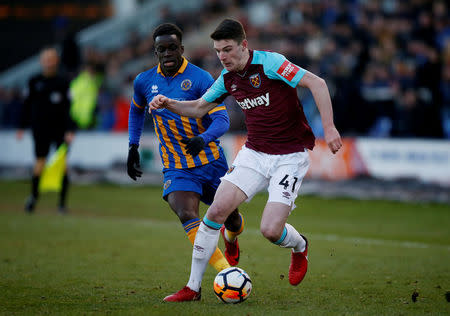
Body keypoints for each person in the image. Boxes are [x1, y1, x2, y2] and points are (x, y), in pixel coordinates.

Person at [149, 18, 343, 302]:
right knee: (215, 212)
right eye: (218, 51)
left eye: (228, 49)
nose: (223, 57)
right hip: (254, 154)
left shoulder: (271, 64)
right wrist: (169, 103)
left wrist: (330, 128)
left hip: (289, 157)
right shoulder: (227, 78)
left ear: (244, 45)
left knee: (270, 230)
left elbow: (317, 83)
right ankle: (192, 288)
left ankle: (300, 247)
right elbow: (201, 108)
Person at [127, 23, 244, 275]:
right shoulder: (144, 81)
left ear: (181, 48)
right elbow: (136, 111)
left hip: (211, 162)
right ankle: (225, 272)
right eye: (162, 49)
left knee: (232, 219)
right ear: (155, 52)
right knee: (185, 212)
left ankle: (231, 239)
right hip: (177, 166)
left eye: (172, 48)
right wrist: (132, 146)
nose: (167, 53)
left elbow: (222, 120)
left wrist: (203, 138)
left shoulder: (201, 78)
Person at [17, 46, 75, 214]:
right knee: (39, 163)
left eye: (52, 59)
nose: (49, 62)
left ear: (56, 61)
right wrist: (21, 126)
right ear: (42, 62)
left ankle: (62, 204)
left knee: (62, 165)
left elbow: (68, 108)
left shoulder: (63, 82)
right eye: (46, 59)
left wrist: (70, 129)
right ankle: (33, 198)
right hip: (40, 129)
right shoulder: (34, 81)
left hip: (60, 130)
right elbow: (26, 105)